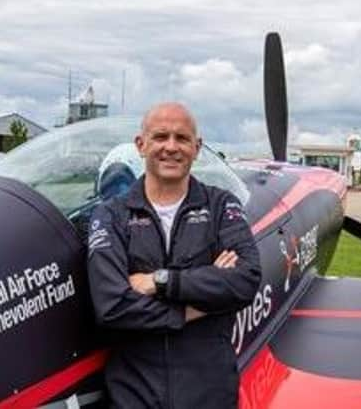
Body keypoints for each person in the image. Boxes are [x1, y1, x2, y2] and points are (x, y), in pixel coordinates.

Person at [87, 102, 262, 408]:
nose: (171, 147)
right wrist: (195, 308)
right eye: (160, 137)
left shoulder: (221, 205)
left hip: (210, 395)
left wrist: (160, 281)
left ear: (197, 147)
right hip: (135, 396)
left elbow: (245, 280)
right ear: (141, 145)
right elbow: (112, 305)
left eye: (182, 138)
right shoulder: (110, 215)